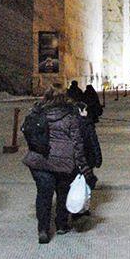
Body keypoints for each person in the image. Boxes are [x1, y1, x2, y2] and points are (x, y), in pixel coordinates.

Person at [23, 90, 95, 243]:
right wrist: (84, 168)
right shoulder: (70, 117)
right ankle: (61, 224)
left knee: (43, 195)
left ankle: (43, 230)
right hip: (63, 162)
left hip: (39, 161)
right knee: (63, 193)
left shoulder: (37, 113)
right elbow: (77, 144)